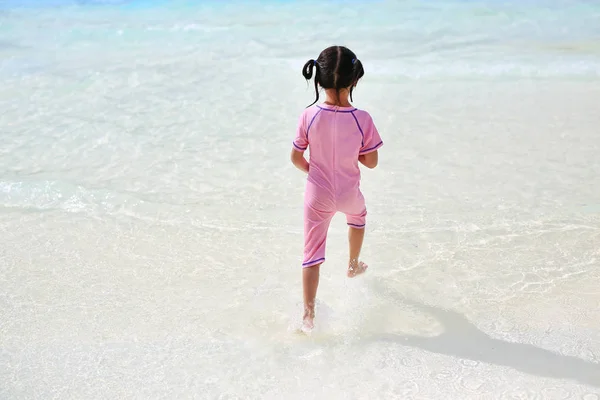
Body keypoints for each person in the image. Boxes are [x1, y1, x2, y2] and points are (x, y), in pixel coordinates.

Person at [290, 45, 383, 332]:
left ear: (319, 80)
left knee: (311, 255)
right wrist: (351, 153)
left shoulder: (309, 116)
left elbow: (296, 157)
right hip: (348, 193)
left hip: (317, 194)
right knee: (358, 218)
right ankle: (353, 263)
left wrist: (316, 171)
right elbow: (372, 162)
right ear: (355, 80)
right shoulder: (362, 118)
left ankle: (308, 316)